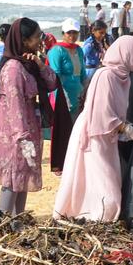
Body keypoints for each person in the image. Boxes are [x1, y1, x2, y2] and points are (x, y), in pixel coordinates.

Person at [53, 36, 133, 222]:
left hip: (106, 136)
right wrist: (127, 130)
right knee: (105, 185)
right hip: (93, 134)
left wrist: (125, 128)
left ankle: (91, 217)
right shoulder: (107, 76)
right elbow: (102, 114)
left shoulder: (123, 78)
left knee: (99, 179)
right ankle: (96, 218)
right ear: (126, 54)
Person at [0, 18, 57, 215]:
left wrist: (41, 64)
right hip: (13, 131)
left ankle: (18, 219)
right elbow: (14, 105)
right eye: (37, 37)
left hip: (28, 125)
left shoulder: (28, 63)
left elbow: (52, 84)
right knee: (12, 178)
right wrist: (22, 138)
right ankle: (5, 221)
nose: (40, 41)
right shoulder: (13, 69)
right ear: (24, 41)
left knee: (23, 178)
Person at [48, 20, 87, 175]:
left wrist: (86, 91)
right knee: (62, 129)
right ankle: (61, 164)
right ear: (63, 33)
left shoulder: (79, 50)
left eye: (75, 32)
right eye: (69, 32)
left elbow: (83, 74)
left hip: (77, 94)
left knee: (76, 129)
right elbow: (54, 74)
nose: (72, 36)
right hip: (62, 95)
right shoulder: (57, 51)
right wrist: (63, 98)